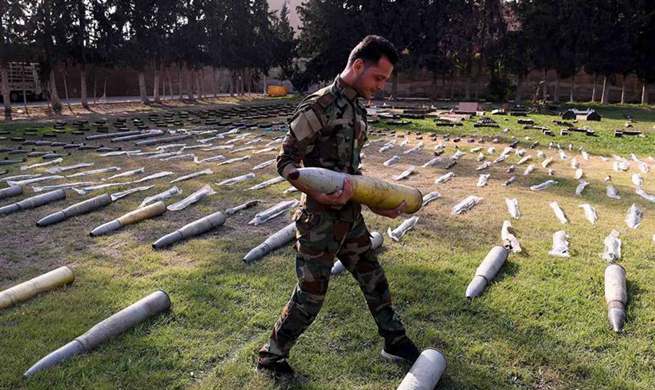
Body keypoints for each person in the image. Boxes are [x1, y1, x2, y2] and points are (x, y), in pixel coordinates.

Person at [257, 35, 420, 377]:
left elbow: (351, 175)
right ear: (358, 66)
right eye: (378, 78)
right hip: (318, 222)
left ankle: (394, 340)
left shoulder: (357, 106)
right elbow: (285, 161)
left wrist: (376, 204)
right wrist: (316, 194)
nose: (380, 87)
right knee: (310, 298)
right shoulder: (318, 106)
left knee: (374, 279)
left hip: (350, 217)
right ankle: (271, 357)